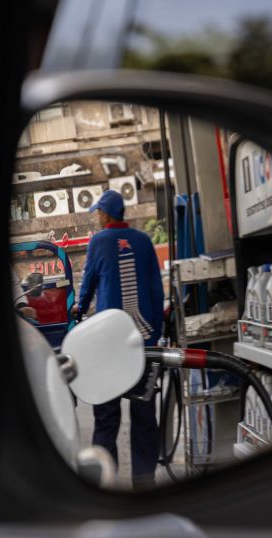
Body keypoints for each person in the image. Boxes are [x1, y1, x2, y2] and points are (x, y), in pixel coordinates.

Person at [73, 189, 164, 489]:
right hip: (143, 345)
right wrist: (156, 335)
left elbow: (86, 287)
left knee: (107, 418)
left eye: (98, 212)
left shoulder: (98, 242)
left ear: (106, 214)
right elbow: (156, 291)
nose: (97, 217)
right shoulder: (143, 241)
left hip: (109, 348)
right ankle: (144, 483)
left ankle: (107, 484)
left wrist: (79, 310)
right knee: (144, 418)